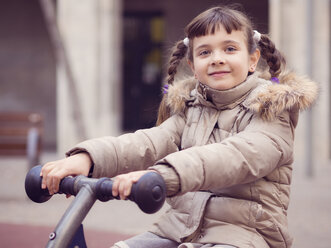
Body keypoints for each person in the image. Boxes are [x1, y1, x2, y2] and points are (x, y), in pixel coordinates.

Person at [41, 5, 318, 248]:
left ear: (252, 60)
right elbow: (149, 142)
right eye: (205, 52)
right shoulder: (191, 109)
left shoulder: (272, 111)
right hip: (179, 230)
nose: (217, 58)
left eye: (230, 48)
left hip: (244, 235)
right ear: (193, 65)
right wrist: (88, 158)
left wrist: (164, 174)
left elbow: (236, 156)